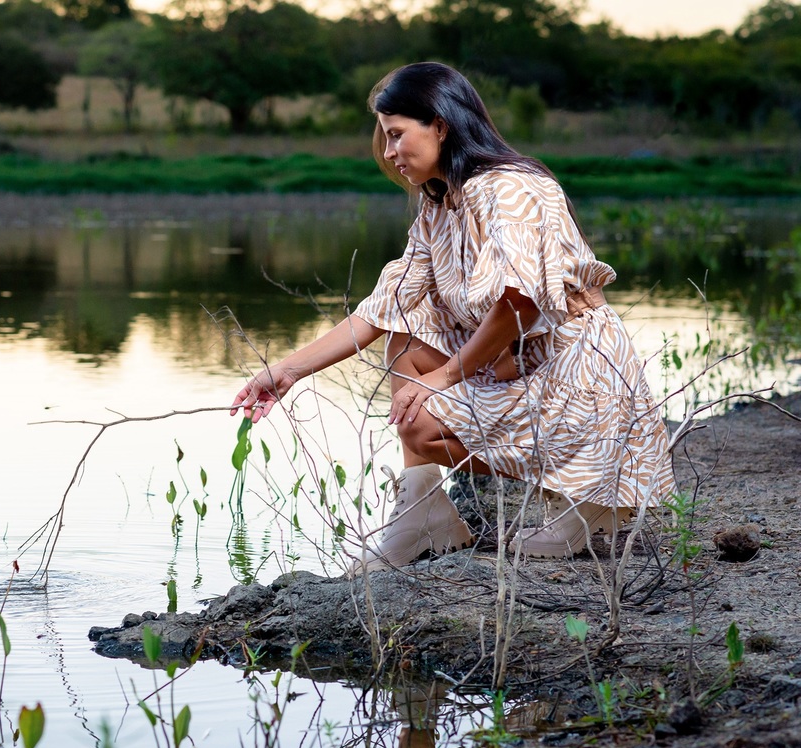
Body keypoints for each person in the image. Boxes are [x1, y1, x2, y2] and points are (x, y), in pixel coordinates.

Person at [231, 62, 676, 570]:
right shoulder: (439, 205)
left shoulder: (508, 189)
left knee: (419, 423)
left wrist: (443, 377)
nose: (390, 152)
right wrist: (287, 371)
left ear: (440, 125)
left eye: (397, 135)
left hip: (574, 371)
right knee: (405, 325)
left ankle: (587, 497)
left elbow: (520, 302)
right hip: (518, 362)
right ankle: (424, 513)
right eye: (385, 138)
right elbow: (384, 308)